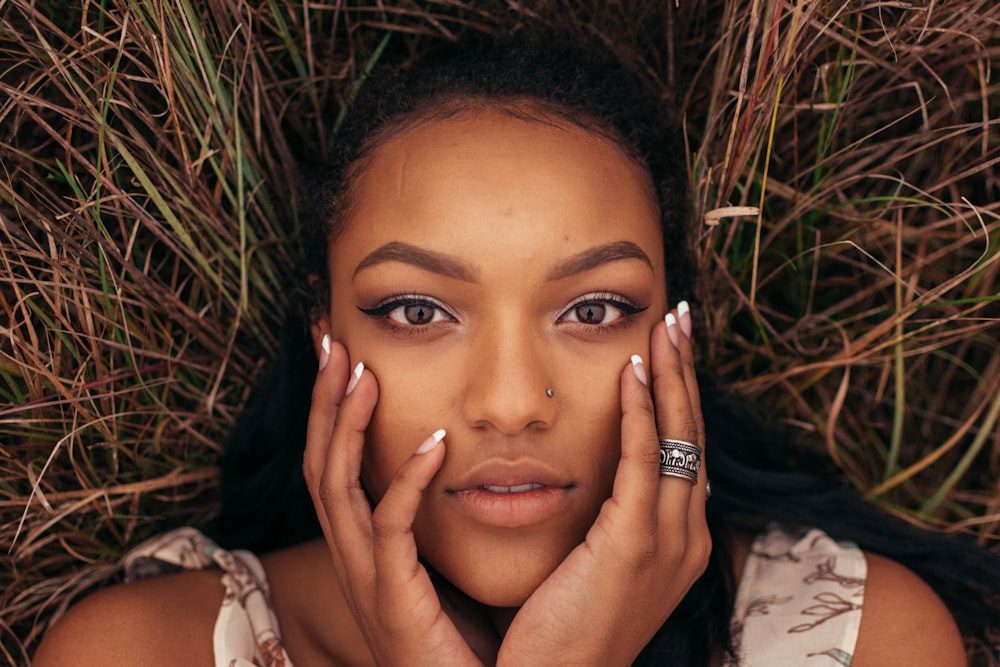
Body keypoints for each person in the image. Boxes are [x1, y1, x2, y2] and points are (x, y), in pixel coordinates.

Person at [32, 31, 1000, 667]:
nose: (507, 401)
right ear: (325, 340)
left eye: (593, 310)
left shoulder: (853, 639)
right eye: (417, 310)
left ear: (675, 340)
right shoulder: (142, 654)